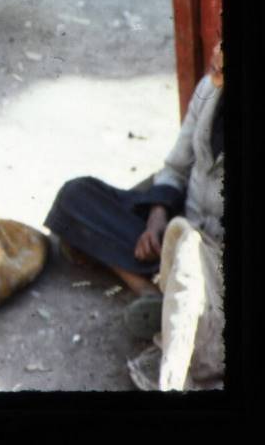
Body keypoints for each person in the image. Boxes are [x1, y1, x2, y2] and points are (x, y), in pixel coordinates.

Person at [45, 41, 225, 391]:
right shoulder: (209, 89)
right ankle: (150, 292)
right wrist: (156, 219)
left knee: (194, 269)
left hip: (214, 261)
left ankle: (170, 298)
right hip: (178, 232)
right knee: (76, 196)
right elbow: (175, 168)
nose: (216, 62)